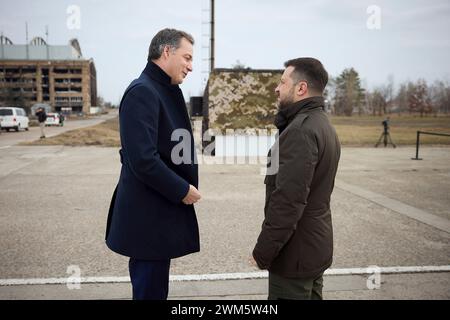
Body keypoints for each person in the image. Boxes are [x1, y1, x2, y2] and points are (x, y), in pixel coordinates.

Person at [105, 28, 201, 300]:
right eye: (187, 57)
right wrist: (182, 189)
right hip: (148, 218)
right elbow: (143, 159)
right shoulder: (142, 92)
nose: (190, 66)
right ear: (166, 51)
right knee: (150, 291)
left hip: (157, 212)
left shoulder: (162, 89)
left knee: (156, 289)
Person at [252, 58, 341, 300]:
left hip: (294, 256)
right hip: (313, 249)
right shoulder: (322, 124)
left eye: (282, 82)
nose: (276, 88)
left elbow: (288, 202)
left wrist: (263, 251)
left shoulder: (300, 131)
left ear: (300, 88)